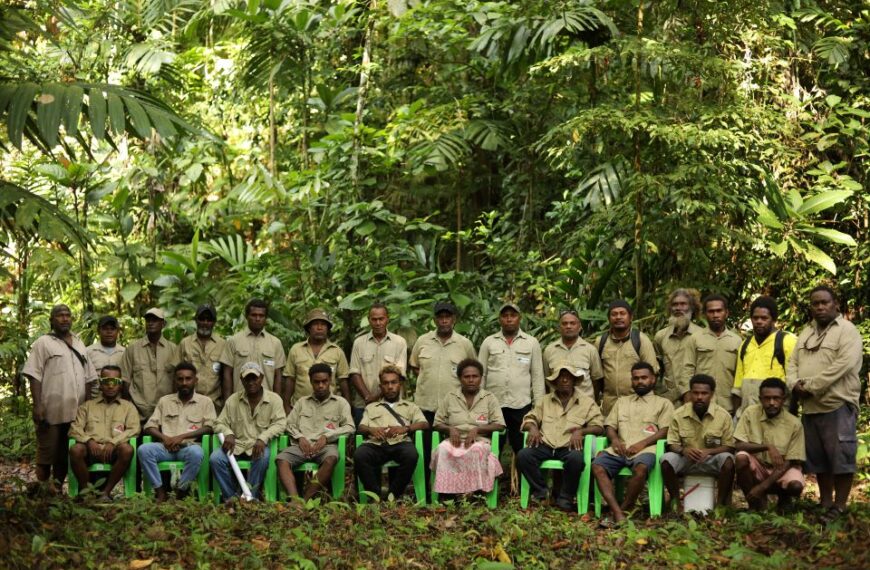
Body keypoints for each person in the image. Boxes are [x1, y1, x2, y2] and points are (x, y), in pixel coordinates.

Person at [787, 285, 863, 523]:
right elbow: (792, 363)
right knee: (819, 459)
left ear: (835, 304)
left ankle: (839, 506)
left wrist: (810, 386)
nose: (819, 307)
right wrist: (794, 385)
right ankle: (825, 502)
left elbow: (843, 365)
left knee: (840, 457)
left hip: (837, 404)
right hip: (811, 408)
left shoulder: (847, 331)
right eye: (815, 303)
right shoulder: (806, 332)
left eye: (824, 302)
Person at [22, 304, 98, 492]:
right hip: (52, 411)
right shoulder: (43, 343)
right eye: (59, 315)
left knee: (64, 454)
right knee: (47, 452)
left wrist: (87, 406)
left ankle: (56, 488)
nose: (64, 319)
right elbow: (34, 374)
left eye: (67, 315)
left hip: (76, 413)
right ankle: (42, 488)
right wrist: (37, 405)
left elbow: (89, 378)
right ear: (52, 320)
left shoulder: (80, 343)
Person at [592, 362, 674, 524]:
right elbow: (610, 426)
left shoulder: (663, 404)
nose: (640, 381)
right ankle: (618, 512)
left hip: (647, 449)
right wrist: (614, 440)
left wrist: (641, 444)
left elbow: (665, 430)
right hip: (619, 449)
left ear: (653, 379)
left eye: (644, 377)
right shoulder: (622, 402)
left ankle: (624, 508)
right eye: (636, 378)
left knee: (641, 468)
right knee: (597, 466)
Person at [518, 362, 604, 510]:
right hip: (545, 444)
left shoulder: (586, 402)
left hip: (568, 446)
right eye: (560, 377)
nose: (564, 380)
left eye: (568, 377)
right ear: (554, 381)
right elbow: (528, 419)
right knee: (523, 455)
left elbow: (599, 426)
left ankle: (566, 497)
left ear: (574, 381)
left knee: (576, 458)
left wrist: (581, 432)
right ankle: (542, 492)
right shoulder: (544, 401)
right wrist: (532, 427)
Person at [409, 301, 476, 487]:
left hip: (453, 410)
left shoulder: (464, 344)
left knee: (452, 452)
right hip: (425, 406)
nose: (444, 320)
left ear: (454, 319)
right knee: (423, 450)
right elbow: (415, 366)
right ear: (435, 319)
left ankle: (451, 489)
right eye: (440, 317)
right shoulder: (422, 341)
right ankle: (425, 491)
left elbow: (472, 373)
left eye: (448, 317)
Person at [139, 362, 216, 502]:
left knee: (197, 453)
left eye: (188, 378)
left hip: (188, 448)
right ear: (175, 381)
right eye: (180, 379)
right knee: (144, 450)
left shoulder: (205, 402)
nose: (184, 382)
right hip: (166, 448)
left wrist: (181, 437)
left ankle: (181, 492)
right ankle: (160, 491)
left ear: (195, 380)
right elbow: (149, 426)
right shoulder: (165, 401)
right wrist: (166, 438)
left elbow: (210, 427)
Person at [277, 363, 354, 500]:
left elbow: (350, 427)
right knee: (282, 459)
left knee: (331, 458)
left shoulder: (340, 403)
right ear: (311, 382)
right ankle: (295, 499)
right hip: (301, 446)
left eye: (324, 381)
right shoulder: (302, 402)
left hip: (326, 447)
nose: (321, 385)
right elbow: (288, 424)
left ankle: (306, 499)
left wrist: (327, 436)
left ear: (330, 380)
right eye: (316, 382)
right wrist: (300, 437)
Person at [210, 362, 286, 502]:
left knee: (262, 457)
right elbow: (218, 423)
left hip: (259, 446)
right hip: (236, 445)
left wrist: (263, 438)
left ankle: (251, 497)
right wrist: (229, 433)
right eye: (247, 379)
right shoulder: (233, 400)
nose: (251, 382)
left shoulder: (274, 399)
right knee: (216, 459)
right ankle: (231, 498)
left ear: (261, 378)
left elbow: (281, 423)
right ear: (241, 379)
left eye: (254, 378)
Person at [431, 359, 505, 497]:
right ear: (460, 378)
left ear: (481, 378)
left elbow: (500, 425)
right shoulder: (450, 397)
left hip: (479, 441)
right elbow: (437, 423)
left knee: (477, 449)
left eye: (475, 376)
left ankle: (473, 491)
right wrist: (450, 429)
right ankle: (449, 491)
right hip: (454, 441)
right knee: (442, 449)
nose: (471, 380)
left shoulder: (489, 398)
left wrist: (477, 430)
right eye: (467, 376)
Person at [660, 374, 735, 512]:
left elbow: (729, 446)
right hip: (686, 460)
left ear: (711, 394)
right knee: (666, 460)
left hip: (711, 460)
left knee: (728, 460)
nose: (699, 397)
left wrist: (709, 451)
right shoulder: (679, 414)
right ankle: (676, 503)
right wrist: (684, 450)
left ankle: (720, 506)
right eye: (695, 393)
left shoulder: (723, 416)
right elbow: (671, 443)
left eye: (704, 393)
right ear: (690, 393)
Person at [355, 365, 429, 500]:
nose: (390, 387)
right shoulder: (371, 407)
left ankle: (393, 495)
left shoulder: (410, 407)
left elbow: (424, 424)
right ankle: (376, 495)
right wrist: (372, 430)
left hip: (400, 443)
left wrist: (406, 428)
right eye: (386, 383)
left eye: (393, 382)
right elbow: (361, 427)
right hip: (376, 444)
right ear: (381, 386)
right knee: (360, 455)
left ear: (400, 384)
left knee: (411, 454)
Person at [478, 303, 545, 454]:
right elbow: (481, 374)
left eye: (513, 315)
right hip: (493, 405)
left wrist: (539, 408)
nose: (509, 319)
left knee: (522, 449)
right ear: (500, 319)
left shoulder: (531, 342)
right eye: (505, 316)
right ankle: (490, 477)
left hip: (521, 405)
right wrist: (480, 402)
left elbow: (537, 377)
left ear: (519, 318)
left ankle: (521, 477)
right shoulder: (489, 342)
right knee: (491, 449)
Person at [68, 366, 140, 500]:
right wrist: (89, 441)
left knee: (127, 449)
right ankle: (85, 491)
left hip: (114, 451)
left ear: (120, 385)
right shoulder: (87, 406)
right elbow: (74, 428)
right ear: (100, 384)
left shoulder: (128, 407)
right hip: (90, 450)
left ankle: (106, 492)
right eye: (107, 381)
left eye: (115, 382)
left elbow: (134, 429)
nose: (111, 386)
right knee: (76, 449)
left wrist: (113, 442)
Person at [734, 378, 805, 512]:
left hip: (782, 468)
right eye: (767, 398)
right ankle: (754, 504)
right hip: (759, 466)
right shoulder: (750, 413)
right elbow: (739, 445)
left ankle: (784, 499)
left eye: (776, 398)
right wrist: (767, 446)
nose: (771, 403)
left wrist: (763, 487)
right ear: (760, 399)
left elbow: (791, 460)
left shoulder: (794, 423)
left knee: (795, 486)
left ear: (783, 400)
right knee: (741, 458)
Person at [732, 296, 797, 417]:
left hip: (777, 415)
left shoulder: (787, 341)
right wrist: (737, 414)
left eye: (764, 318)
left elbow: (794, 384)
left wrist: (789, 417)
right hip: (747, 416)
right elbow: (738, 387)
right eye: (755, 318)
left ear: (773, 320)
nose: (759, 321)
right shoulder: (745, 345)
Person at [348, 302, 408, 426]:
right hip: (363, 405)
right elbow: (354, 373)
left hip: (392, 404)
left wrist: (374, 397)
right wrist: (367, 398)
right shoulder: (359, 343)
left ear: (387, 319)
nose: (378, 323)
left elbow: (398, 374)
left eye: (381, 319)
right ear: (369, 320)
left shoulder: (399, 342)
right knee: (364, 441)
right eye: (374, 319)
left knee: (393, 440)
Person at [597, 300, 659, 416]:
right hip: (609, 406)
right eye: (614, 314)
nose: (618, 317)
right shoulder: (601, 341)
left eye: (622, 313)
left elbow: (652, 374)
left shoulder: (640, 340)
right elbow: (597, 375)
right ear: (609, 318)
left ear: (630, 317)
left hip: (636, 404)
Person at [682, 295, 742, 413]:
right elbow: (687, 369)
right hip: (700, 404)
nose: (715, 315)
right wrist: (688, 398)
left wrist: (737, 405)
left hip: (727, 405)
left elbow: (739, 375)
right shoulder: (695, 339)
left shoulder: (737, 341)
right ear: (705, 314)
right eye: (711, 311)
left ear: (726, 313)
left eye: (719, 311)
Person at [219, 298, 285, 402]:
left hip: (267, 403)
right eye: (254, 315)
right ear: (247, 317)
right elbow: (227, 374)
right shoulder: (233, 341)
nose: (257, 319)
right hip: (239, 402)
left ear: (266, 318)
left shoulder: (275, 343)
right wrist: (228, 403)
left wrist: (277, 403)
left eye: (261, 316)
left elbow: (278, 377)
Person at [284, 309, 350, 411]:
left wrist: (347, 408)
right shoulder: (296, 350)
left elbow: (343, 381)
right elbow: (290, 379)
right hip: (300, 408)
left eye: (323, 324)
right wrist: (286, 406)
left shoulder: (337, 351)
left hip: (330, 408)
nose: (319, 328)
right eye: (315, 324)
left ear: (328, 328)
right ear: (309, 328)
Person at [120, 307, 177, 422]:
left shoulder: (173, 349)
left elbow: (178, 380)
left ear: (163, 324)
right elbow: (125, 381)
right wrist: (129, 407)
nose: (150, 323)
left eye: (155, 320)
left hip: (166, 412)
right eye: (148, 320)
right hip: (138, 413)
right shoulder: (133, 349)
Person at [654, 289, 703, 403]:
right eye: (675, 304)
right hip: (668, 401)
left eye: (683, 304)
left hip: (695, 400)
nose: (678, 308)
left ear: (692, 307)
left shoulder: (701, 335)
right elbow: (655, 369)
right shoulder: (660, 336)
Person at [543, 308, 602, 402]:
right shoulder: (549, 351)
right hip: (557, 407)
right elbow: (547, 381)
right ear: (559, 327)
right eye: (564, 323)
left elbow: (597, 381)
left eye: (572, 323)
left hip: (584, 408)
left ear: (579, 327)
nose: (568, 326)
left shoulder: (590, 350)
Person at [174, 304, 226, 412]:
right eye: (202, 319)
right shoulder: (185, 343)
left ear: (214, 322)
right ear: (196, 320)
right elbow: (175, 375)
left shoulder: (223, 344)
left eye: (209, 319)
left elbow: (226, 377)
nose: (205, 323)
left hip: (214, 405)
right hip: (188, 403)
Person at [86, 315, 125, 385]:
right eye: (105, 329)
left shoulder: (124, 353)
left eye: (112, 329)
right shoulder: (88, 352)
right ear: (98, 331)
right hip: (96, 395)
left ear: (118, 331)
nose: (109, 332)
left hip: (119, 395)